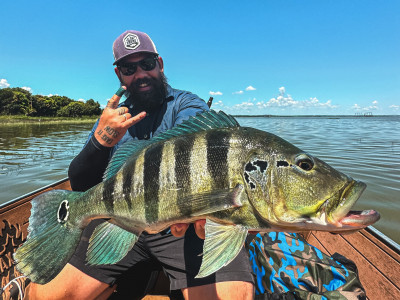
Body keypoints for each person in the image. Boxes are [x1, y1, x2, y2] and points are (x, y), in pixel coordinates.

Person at [24, 30, 255, 300]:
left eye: (147, 64)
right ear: (119, 75)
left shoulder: (185, 104)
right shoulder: (113, 117)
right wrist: (100, 140)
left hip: (181, 226)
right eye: (128, 68)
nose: (140, 73)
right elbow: (80, 184)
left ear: (160, 64)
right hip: (120, 222)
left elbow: (195, 142)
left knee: (233, 296)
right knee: (43, 296)